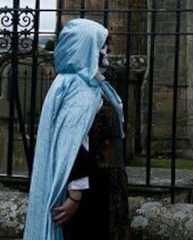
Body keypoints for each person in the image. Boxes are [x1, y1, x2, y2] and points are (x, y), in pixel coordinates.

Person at [24, 18, 130, 240]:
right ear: (87, 50)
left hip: (106, 184)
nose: (107, 55)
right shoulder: (79, 91)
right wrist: (76, 194)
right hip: (93, 190)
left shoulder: (92, 86)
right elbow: (74, 144)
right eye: (103, 49)